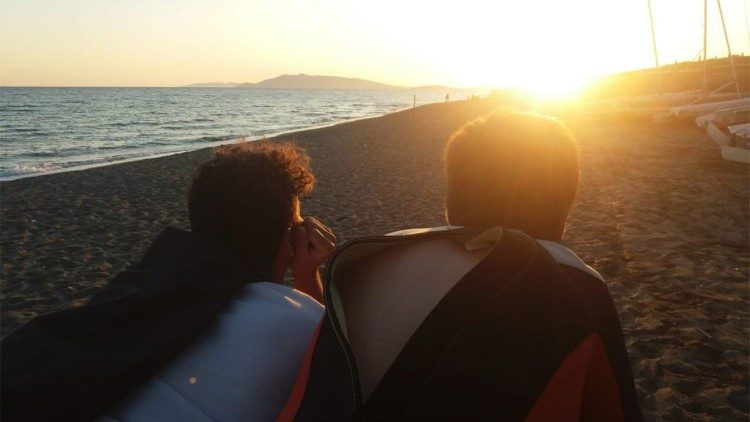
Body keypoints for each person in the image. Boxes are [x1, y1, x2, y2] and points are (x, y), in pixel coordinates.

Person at [280, 111, 642, 421]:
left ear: (450, 205)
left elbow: (334, 365)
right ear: (565, 212)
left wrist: (306, 275)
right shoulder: (578, 286)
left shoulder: (370, 260)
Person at [1, 141, 335, 421]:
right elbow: (333, 359)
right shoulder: (299, 322)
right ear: (286, 241)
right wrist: (307, 276)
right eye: (295, 226)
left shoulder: (137, 296)